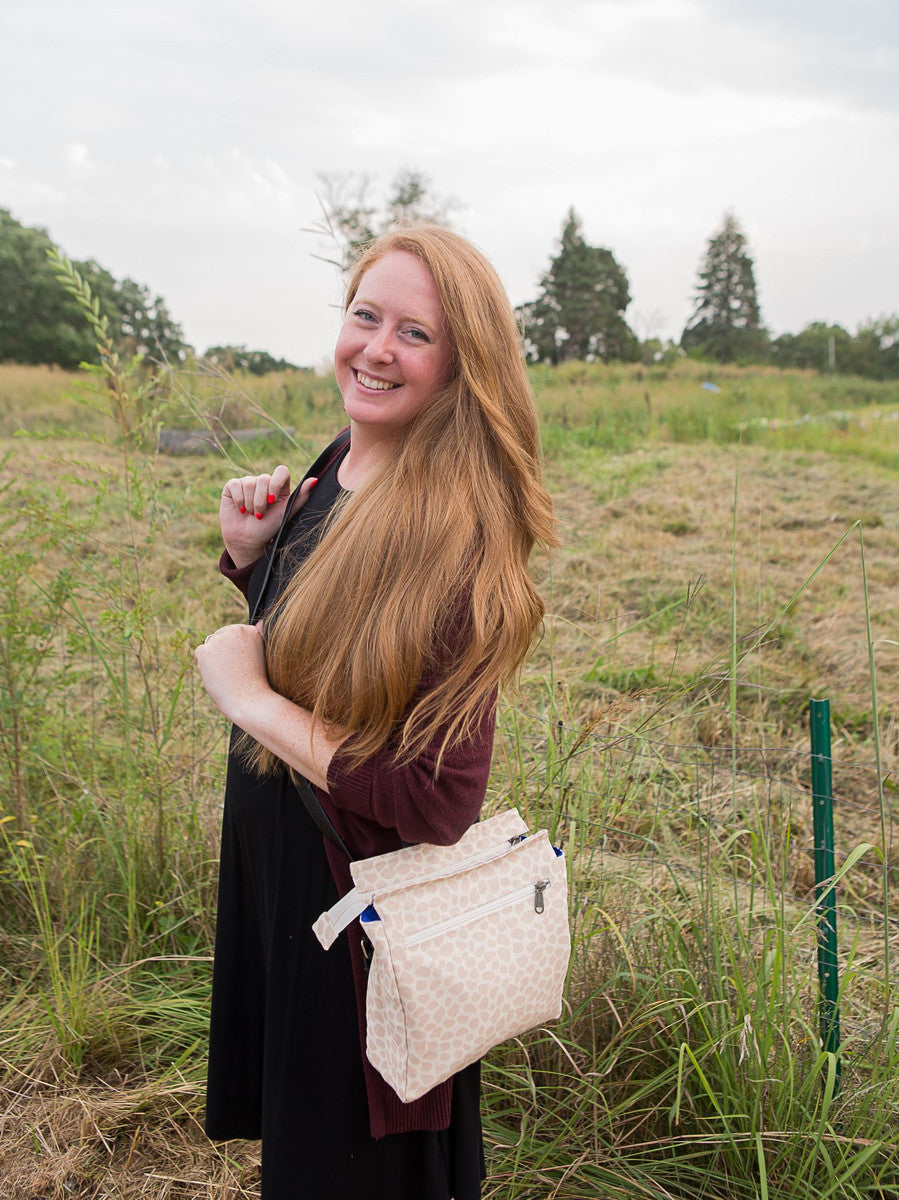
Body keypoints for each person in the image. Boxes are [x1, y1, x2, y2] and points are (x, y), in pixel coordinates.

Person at [194, 224, 557, 1199]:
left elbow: (434, 802)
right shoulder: (335, 469)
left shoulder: (458, 546)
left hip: (359, 927)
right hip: (288, 892)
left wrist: (249, 700)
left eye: (416, 334)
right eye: (366, 316)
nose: (378, 349)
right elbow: (337, 661)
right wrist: (256, 557)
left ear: (460, 369)